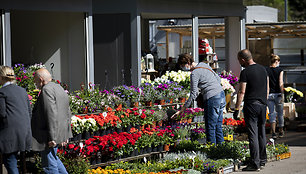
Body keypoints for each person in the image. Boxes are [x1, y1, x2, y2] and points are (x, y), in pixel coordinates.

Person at [172, 53, 225, 144]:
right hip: (221, 95)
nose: (183, 68)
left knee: (210, 127)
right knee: (218, 126)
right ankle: (221, 150)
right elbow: (218, 79)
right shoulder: (204, 65)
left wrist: (182, 110)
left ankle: (211, 150)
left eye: (183, 65)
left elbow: (193, 94)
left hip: (212, 98)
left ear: (188, 62)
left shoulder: (194, 73)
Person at [31, 68, 72, 174]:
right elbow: (67, 111)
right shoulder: (58, 88)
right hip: (58, 133)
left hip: (48, 135)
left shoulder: (46, 90)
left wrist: (52, 137)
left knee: (49, 165)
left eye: (35, 81)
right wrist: (65, 134)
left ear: (40, 79)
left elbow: (51, 113)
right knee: (54, 159)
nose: (35, 83)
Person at [233, 49, 268, 171]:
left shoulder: (245, 72)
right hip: (263, 105)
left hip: (251, 105)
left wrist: (237, 109)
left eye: (239, 60)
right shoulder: (263, 69)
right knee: (261, 133)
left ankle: (255, 163)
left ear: (243, 59)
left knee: (253, 134)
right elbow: (267, 88)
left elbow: (242, 91)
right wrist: (265, 102)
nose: (239, 63)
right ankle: (263, 160)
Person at [0, 66, 32, 174]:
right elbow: (29, 111)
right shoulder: (22, 91)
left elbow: (1, 114)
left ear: (1, 77)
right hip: (24, 132)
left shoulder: (2, 92)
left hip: (9, 134)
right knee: (16, 163)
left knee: (10, 162)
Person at [266, 54, 284, 139]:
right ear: (277, 61)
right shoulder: (280, 70)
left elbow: (267, 84)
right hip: (278, 94)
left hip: (270, 95)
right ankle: (281, 131)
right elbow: (281, 82)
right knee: (280, 113)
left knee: (271, 113)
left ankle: (273, 132)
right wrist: (283, 93)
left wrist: (266, 94)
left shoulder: (266, 70)